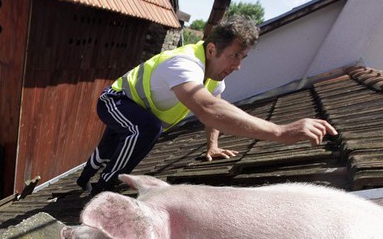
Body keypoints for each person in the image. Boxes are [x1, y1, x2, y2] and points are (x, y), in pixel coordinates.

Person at [76, 16, 338, 194]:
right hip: (115, 100)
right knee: (145, 129)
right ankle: (105, 186)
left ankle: (83, 178)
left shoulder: (213, 79)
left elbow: (216, 106)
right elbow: (209, 110)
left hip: (135, 112)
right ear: (211, 50)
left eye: (242, 57)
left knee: (109, 146)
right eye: (234, 56)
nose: (238, 66)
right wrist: (280, 132)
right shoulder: (183, 64)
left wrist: (213, 144)